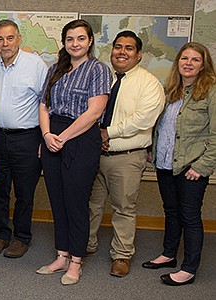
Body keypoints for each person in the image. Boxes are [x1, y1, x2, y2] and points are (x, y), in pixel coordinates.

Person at [37, 19, 112, 285]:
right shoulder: (56, 69)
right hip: (52, 137)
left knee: (76, 203)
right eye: (70, 39)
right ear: (64, 43)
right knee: (57, 201)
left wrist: (62, 138)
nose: (75, 44)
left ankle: (76, 262)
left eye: (80, 38)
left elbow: (94, 112)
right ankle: (62, 256)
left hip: (80, 138)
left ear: (90, 41)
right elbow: (44, 105)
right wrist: (47, 135)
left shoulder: (98, 70)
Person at [87, 31, 165, 277]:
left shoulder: (149, 83)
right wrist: (96, 137)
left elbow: (143, 120)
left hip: (127, 157)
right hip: (94, 154)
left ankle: (121, 255)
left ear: (139, 54)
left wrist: (108, 133)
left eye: (129, 48)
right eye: (118, 47)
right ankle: (85, 245)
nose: (122, 52)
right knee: (90, 204)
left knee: (124, 208)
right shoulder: (102, 77)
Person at [142, 42, 216, 286]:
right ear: (178, 62)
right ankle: (168, 254)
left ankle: (189, 268)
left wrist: (202, 166)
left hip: (191, 168)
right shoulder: (170, 90)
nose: (189, 63)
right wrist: (152, 150)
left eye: (195, 59)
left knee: (190, 216)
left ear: (204, 64)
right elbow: (162, 126)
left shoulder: (211, 92)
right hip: (165, 163)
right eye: (185, 58)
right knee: (171, 212)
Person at [0, 19, 48, 258]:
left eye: (10, 38)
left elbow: (46, 103)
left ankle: (22, 237)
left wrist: (44, 138)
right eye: (0, 39)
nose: (5, 43)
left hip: (27, 138)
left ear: (19, 39)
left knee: (24, 191)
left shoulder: (36, 65)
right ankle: (1, 234)